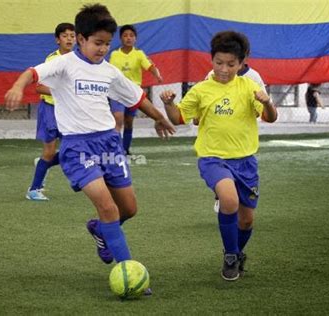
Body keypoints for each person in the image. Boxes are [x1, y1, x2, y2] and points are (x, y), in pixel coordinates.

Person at [5, 3, 175, 286]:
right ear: (80, 39)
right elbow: (32, 73)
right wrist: (17, 87)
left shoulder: (108, 71)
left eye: (107, 44)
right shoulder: (64, 64)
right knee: (108, 208)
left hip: (109, 143)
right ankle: (127, 273)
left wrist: (158, 117)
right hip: (77, 148)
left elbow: (136, 97)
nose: (102, 49)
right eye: (97, 43)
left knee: (129, 209)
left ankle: (100, 230)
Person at [160, 30, 277, 281]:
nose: (224, 69)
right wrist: (169, 104)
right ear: (211, 60)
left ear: (242, 62)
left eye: (231, 64)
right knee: (229, 200)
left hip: (245, 161)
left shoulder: (250, 86)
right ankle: (230, 257)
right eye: (219, 63)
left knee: (246, 221)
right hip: (213, 158)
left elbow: (270, 117)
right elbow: (178, 118)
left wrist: (266, 102)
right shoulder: (202, 89)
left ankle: (234, 250)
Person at [203, 39, 268, 214]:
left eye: (233, 61)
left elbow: (263, 106)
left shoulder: (253, 77)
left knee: (245, 214)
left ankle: (234, 199)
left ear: (244, 57)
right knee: (219, 172)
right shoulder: (212, 74)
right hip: (216, 137)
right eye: (220, 62)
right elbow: (205, 97)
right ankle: (222, 194)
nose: (225, 68)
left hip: (241, 136)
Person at [26, 22, 76, 201]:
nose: (69, 38)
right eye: (65, 35)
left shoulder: (79, 60)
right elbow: (39, 87)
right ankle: (34, 190)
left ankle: (43, 165)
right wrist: (61, 91)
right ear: (57, 40)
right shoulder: (52, 60)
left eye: (72, 35)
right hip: (50, 110)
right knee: (49, 152)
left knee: (73, 152)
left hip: (69, 112)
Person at [108, 24, 163, 155]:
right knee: (118, 118)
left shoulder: (139, 54)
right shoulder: (114, 55)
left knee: (128, 122)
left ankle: (125, 149)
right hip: (117, 92)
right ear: (120, 38)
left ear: (135, 39)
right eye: (125, 35)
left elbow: (149, 66)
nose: (128, 38)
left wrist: (157, 75)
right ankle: (116, 150)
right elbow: (109, 71)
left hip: (133, 93)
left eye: (131, 36)